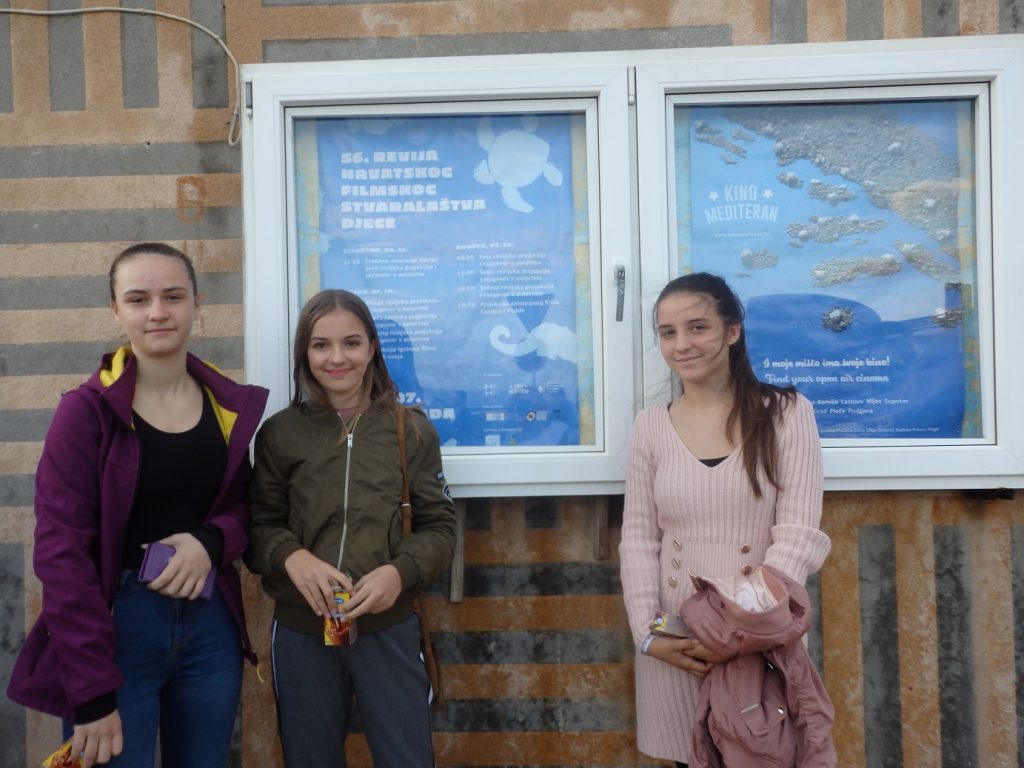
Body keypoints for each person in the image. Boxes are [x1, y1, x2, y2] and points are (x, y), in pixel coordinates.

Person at [7, 243, 269, 767]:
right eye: (138, 299)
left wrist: (210, 542)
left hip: (210, 624)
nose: (157, 312)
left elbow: (245, 507)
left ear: (197, 302)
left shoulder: (224, 405)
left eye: (173, 296)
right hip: (117, 628)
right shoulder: (85, 413)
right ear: (115, 309)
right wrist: (91, 690)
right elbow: (61, 555)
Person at [618, 272, 831, 768]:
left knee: (762, 753)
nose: (682, 344)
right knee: (686, 756)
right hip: (676, 640)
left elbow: (798, 535)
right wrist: (648, 634)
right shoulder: (650, 426)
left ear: (732, 330)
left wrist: (739, 628)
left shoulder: (786, 413)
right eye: (668, 332)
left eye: (698, 327)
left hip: (760, 636)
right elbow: (638, 540)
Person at [245, 289, 456, 767]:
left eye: (351, 343)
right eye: (321, 345)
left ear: (372, 348)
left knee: (406, 758)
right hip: (303, 632)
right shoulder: (280, 434)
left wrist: (399, 572)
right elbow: (257, 525)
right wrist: (292, 557)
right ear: (305, 353)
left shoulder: (411, 431)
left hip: (389, 628)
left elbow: (440, 528)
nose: (337, 358)